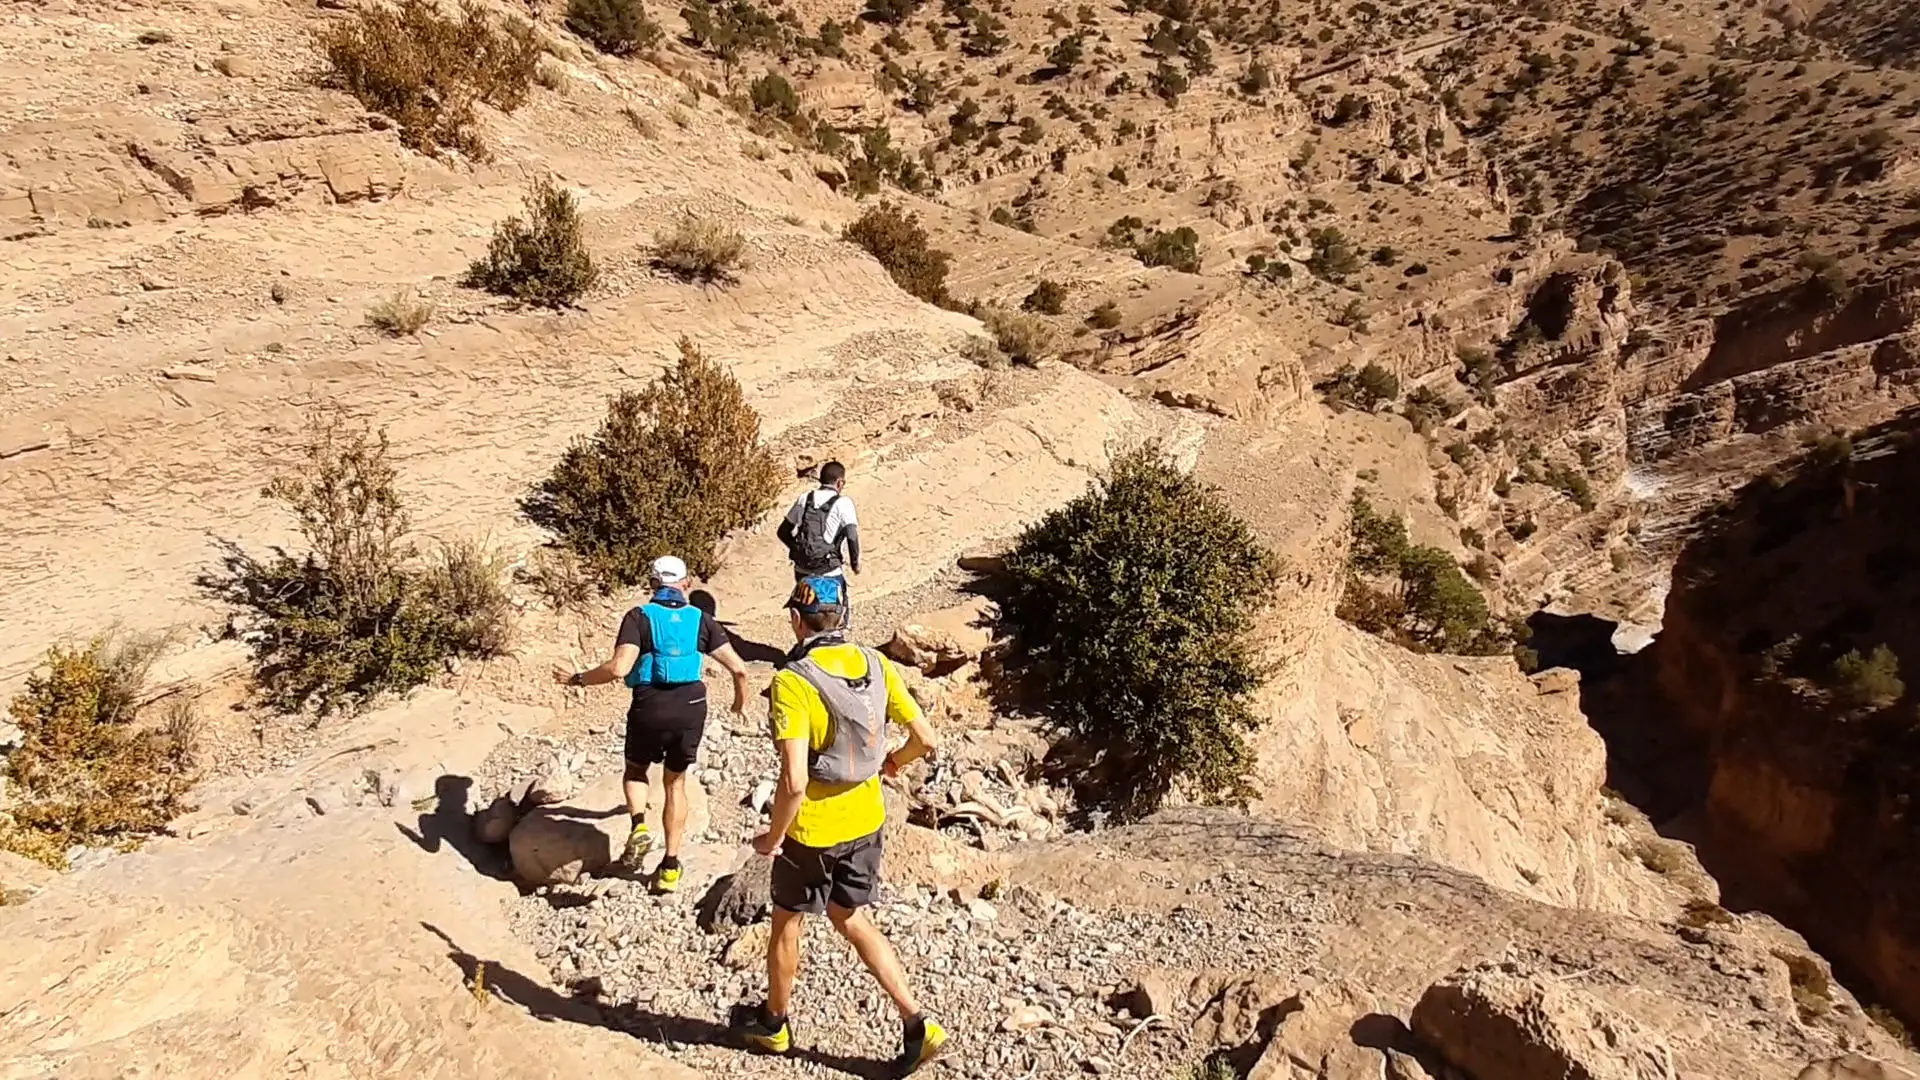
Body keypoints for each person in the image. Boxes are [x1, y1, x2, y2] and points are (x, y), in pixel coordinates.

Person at [739, 577, 948, 1072]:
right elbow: (926, 737)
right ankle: (917, 1023)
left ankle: (773, 1025)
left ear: (796, 619)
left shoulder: (792, 681)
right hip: (867, 819)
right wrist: (893, 763)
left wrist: (772, 838)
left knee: (787, 923)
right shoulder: (877, 664)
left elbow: (793, 780)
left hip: (811, 830)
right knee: (849, 915)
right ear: (844, 616)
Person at [552, 555, 750, 894]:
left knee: (635, 769)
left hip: (650, 705)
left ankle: (639, 825)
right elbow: (740, 669)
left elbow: (618, 668)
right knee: (676, 784)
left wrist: (578, 679)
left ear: (653, 585)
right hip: (691, 706)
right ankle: (670, 865)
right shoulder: (701, 620)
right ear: (686, 585)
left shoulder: (638, 617)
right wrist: (739, 702)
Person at [776, 460, 859, 627]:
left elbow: (782, 531)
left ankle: (805, 648)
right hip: (828, 570)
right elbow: (852, 536)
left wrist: (798, 549)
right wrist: (855, 563)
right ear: (839, 482)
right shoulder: (843, 503)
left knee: (807, 615)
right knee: (835, 615)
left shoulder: (804, 498)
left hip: (802, 571)